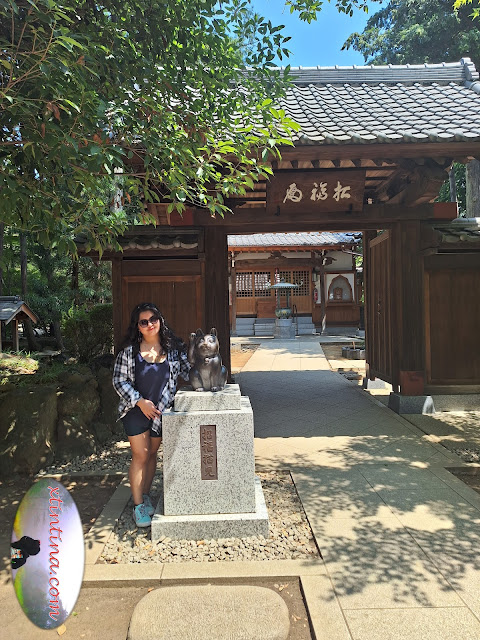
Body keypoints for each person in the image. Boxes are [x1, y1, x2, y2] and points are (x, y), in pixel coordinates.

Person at [113, 302, 190, 528]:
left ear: (160, 321)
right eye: (143, 322)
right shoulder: (129, 352)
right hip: (136, 410)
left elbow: (188, 371)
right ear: (137, 326)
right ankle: (138, 505)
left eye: (153, 319)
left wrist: (205, 359)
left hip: (161, 410)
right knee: (141, 454)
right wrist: (140, 401)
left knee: (153, 453)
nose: (149, 325)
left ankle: (145, 494)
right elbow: (119, 381)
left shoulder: (173, 351)